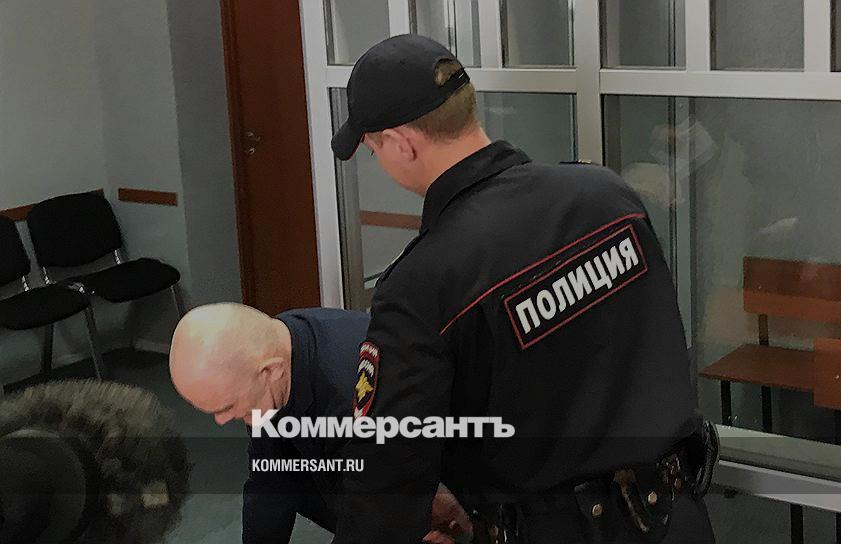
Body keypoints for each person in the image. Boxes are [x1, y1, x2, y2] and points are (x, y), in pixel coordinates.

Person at [330, 35, 718, 544]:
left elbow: (389, 479)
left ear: (403, 142)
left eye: (373, 147)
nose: (378, 160)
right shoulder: (605, 193)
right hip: (677, 518)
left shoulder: (422, 284)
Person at [168, 303, 470, 544]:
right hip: (361, 467)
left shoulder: (351, 390)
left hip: (439, 471)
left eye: (226, 407)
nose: (221, 421)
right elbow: (268, 482)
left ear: (270, 371)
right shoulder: (274, 349)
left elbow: (373, 515)